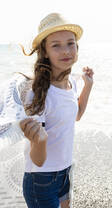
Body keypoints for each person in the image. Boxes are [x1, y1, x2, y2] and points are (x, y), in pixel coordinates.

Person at [18, 13, 94, 208]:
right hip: (41, 180)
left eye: (70, 43)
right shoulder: (38, 93)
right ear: (44, 52)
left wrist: (87, 87)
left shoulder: (70, 83)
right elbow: (38, 160)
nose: (66, 51)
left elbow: (76, 115)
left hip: (66, 171)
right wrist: (39, 141)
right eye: (56, 45)